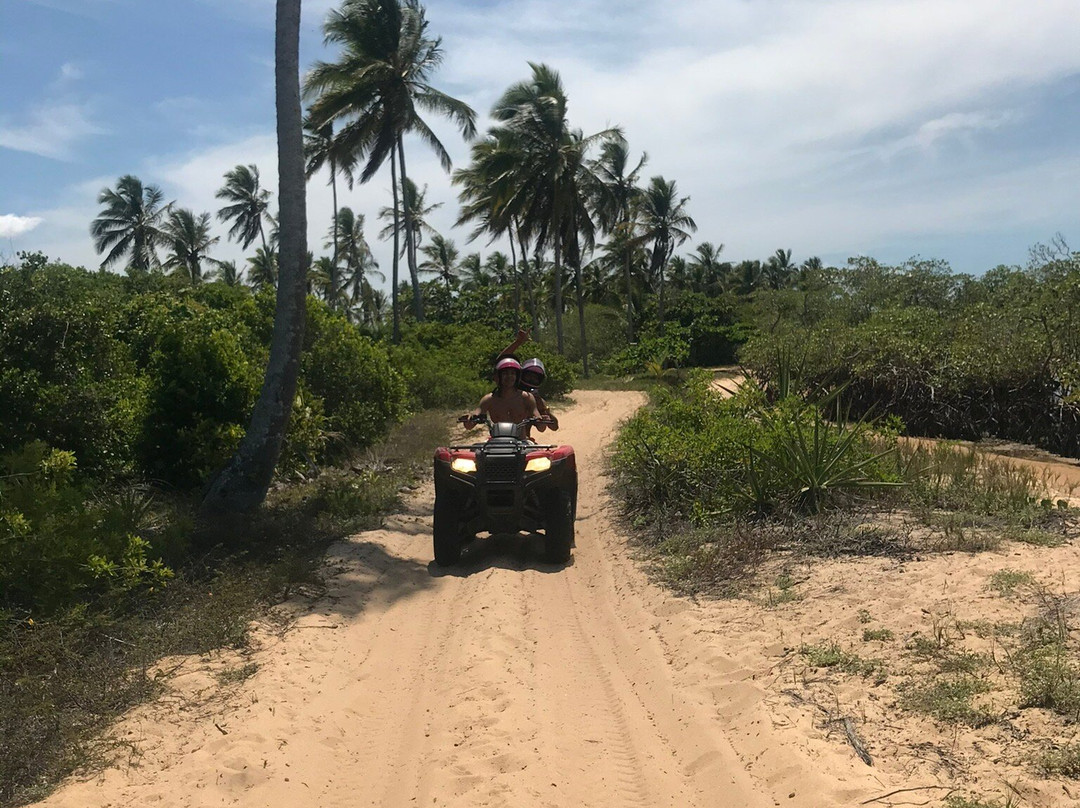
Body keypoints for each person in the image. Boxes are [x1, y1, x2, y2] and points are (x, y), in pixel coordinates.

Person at [463, 357, 551, 438]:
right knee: (477, 453)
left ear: (517, 377)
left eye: (513, 373)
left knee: (541, 455)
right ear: (498, 377)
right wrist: (468, 420)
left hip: (522, 443)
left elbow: (541, 428)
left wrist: (543, 420)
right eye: (505, 373)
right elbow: (469, 425)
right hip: (496, 443)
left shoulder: (526, 398)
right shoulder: (488, 399)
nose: (509, 377)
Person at [493, 329, 559, 432]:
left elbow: (553, 427)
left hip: (523, 442)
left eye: (535, 378)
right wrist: (518, 342)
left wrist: (545, 412)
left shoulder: (535, 400)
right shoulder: (507, 387)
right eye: (529, 376)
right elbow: (501, 361)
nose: (531, 379)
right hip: (498, 439)